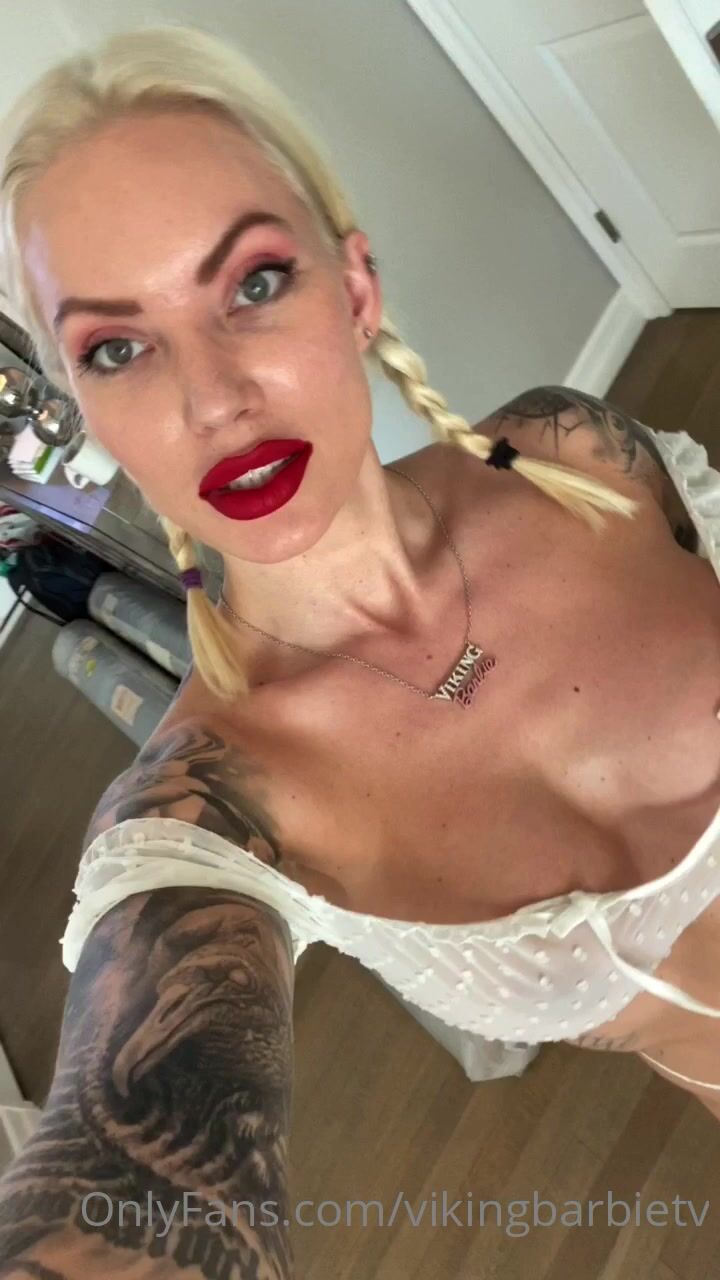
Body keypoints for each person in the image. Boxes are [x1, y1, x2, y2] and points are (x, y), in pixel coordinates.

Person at [1, 20, 720, 1274]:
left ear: (356, 287)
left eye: (253, 284)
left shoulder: (578, 456)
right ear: (90, 411)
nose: (214, 396)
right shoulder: (210, 820)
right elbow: (130, 1165)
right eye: (117, 347)